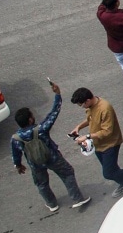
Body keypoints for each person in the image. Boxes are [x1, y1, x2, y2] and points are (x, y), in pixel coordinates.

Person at [12, 81, 90, 212]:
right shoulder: (41, 129)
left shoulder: (15, 138)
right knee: (67, 173)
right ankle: (77, 199)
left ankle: (51, 204)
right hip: (53, 158)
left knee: (41, 183)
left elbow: (16, 154)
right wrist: (57, 94)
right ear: (30, 120)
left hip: (35, 163)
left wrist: (18, 165)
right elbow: (54, 113)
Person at [68, 88, 123, 195]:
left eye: (81, 105)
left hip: (110, 144)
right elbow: (90, 119)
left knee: (108, 173)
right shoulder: (91, 106)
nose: (82, 107)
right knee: (112, 168)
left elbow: (107, 131)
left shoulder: (105, 108)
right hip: (98, 143)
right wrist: (78, 127)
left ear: (87, 100)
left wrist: (87, 136)